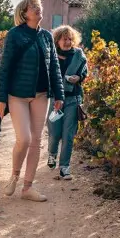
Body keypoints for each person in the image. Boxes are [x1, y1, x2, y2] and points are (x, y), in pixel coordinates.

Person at [0, 0, 64, 201]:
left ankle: (27, 188)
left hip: (42, 95)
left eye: (39, 6)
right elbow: (5, 68)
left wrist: (59, 94)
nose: (38, 9)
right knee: (24, 139)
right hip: (18, 95)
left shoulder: (47, 37)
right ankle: (14, 177)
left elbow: (54, 68)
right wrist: (1, 99)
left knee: (36, 142)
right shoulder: (14, 35)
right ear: (24, 13)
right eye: (34, 7)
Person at [47, 26, 89, 180]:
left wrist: (79, 77)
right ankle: (52, 155)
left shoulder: (78, 55)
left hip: (73, 99)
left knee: (68, 135)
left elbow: (84, 71)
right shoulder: (52, 55)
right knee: (54, 133)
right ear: (57, 40)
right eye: (64, 38)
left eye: (70, 39)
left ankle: (64, 167)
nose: (67, 41)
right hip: (55, 99)